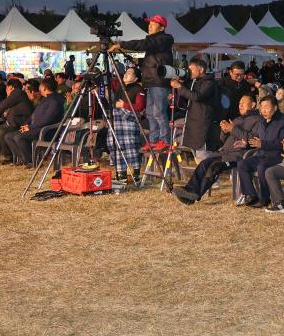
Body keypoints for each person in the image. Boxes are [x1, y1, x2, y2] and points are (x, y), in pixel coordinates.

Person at [172, 94, 261, 204]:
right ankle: (190, 190)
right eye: (239, 103)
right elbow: (223, 140)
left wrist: (232, 129)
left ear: (253, 104)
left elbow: (252, 139)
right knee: (204, 163)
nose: (240, 105)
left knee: (214, 167)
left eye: (243, 103)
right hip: (224, 153)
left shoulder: (258, 120)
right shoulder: (237, 119)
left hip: (239, 156)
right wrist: (224, 131)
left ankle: (194, 195)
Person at [109, 14, 174, 150]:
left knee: (159, 112)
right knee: (150, 113)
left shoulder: (164, 39)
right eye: (149, 24)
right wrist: (138, 62)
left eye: (153, 24)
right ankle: (154, 140)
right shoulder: (154, 42)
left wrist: (122, 44)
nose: (149, 26)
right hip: (150, 82)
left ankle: (165, 140)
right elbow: (152, 61)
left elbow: (143, 44)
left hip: (159, 82)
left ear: (161, 28)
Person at [234, 95, 284, 208]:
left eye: (266, 107)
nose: (263, 110)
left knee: (262, 167)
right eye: (262, 107)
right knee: (242, 164)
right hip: (261, 155)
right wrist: (246, 144)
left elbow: (282, 143)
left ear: (275, 108)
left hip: (277, 156)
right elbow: (256, 140)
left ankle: (264, 199)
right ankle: (251, 195)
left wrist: (262, 144)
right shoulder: (262, 122)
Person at [2, 78, 64, 165]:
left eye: (41, 85)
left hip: (46, 130)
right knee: (8, 136)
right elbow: (33, 115)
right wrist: (25, 125)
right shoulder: (45, 98)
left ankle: (31, 161)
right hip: (35, 128)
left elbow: (47, 120)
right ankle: (23, 158)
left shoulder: (54, 101)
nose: (39, 87)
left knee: (19, 137)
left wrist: (30, 127)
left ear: (44, 87)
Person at [171, 58, 222, 158]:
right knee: (198, 153)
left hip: (204, 123)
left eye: (192, 69)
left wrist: (180, 87)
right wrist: (179, 87)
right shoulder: (194, 82)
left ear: (201, 69)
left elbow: (197, 96)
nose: (189, 72)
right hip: (194, 122)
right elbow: (186, 101)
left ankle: (206, 167)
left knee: (203, 153)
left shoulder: (210, 83)